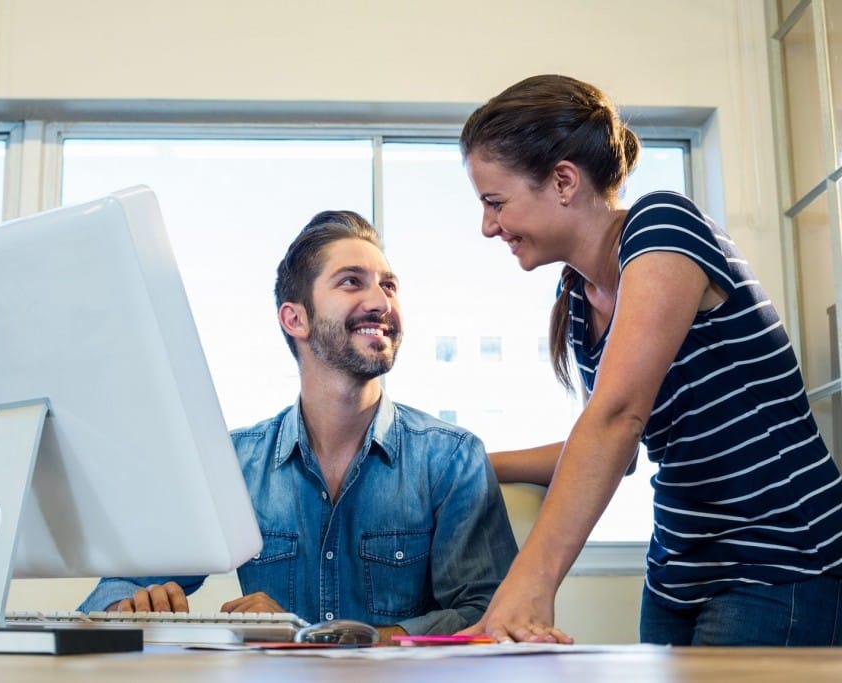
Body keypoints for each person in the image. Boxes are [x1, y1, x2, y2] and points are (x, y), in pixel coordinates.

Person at [457, 74, 842, 646]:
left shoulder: (664, 226)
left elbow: (617, 417)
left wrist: (530, 582)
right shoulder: (579, 302)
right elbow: (614, 448)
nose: (488, 226)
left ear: (563, 180)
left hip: (777, 560)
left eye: (495, 202)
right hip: (678, 570)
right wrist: (467, 464)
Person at [79, 210, 517, 640]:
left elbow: (490, 615)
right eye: (351, 282)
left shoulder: (451, 458)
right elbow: (112, 591)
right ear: (295, 319)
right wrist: (130, 608)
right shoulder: (235, 465)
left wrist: (317, 637)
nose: (382, 302)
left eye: (389, 286)